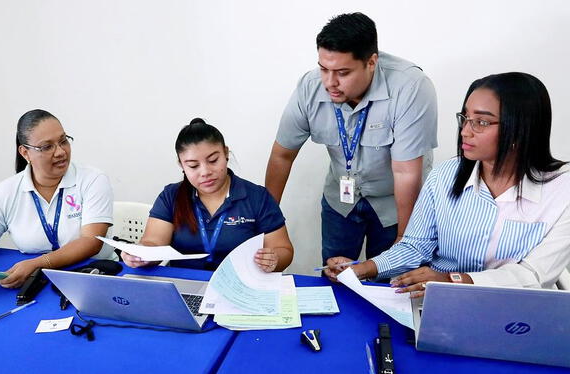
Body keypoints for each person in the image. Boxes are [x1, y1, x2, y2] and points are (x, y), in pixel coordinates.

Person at [325, 72, 570, 295]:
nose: (465, 131)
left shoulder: (561, 190)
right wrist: (362, 268)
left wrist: (454, 280)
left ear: (520, 129)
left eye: (481, 122)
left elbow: (533, 275)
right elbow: (415, 246)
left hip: (512, 313)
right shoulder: (445, 175)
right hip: (436, 300)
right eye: (465, 118)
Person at [265, 12, 438, 266]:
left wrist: (406, 237)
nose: (329, 82)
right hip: (341, 201)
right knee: (335, 276)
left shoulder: (410, 87)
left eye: (342, 72)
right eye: (324, 69)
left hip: (396, 204)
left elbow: (406, 173)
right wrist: (266, 222)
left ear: (371, 62)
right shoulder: (310, 86)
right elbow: (282, 155)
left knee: (390, 286)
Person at [0, 109, 114, 288]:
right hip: (36, 282)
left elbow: (91, 242)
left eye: (63, 141)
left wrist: (37, 264)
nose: (61, 152)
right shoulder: (6, 192)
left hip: (94, 274)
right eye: (47, 147)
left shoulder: (92, 180)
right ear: (25, 153)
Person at [122, 118, 294, 272]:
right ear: (181, 164)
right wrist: (140, 254)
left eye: (213, 161)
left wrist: (274, 259)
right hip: (184, 286)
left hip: (241, 288)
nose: (205, 172)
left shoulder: (257, 197)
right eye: (193, 166)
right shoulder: (171, 196)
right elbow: (154, 243)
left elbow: (283, 249)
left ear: (226, 153)